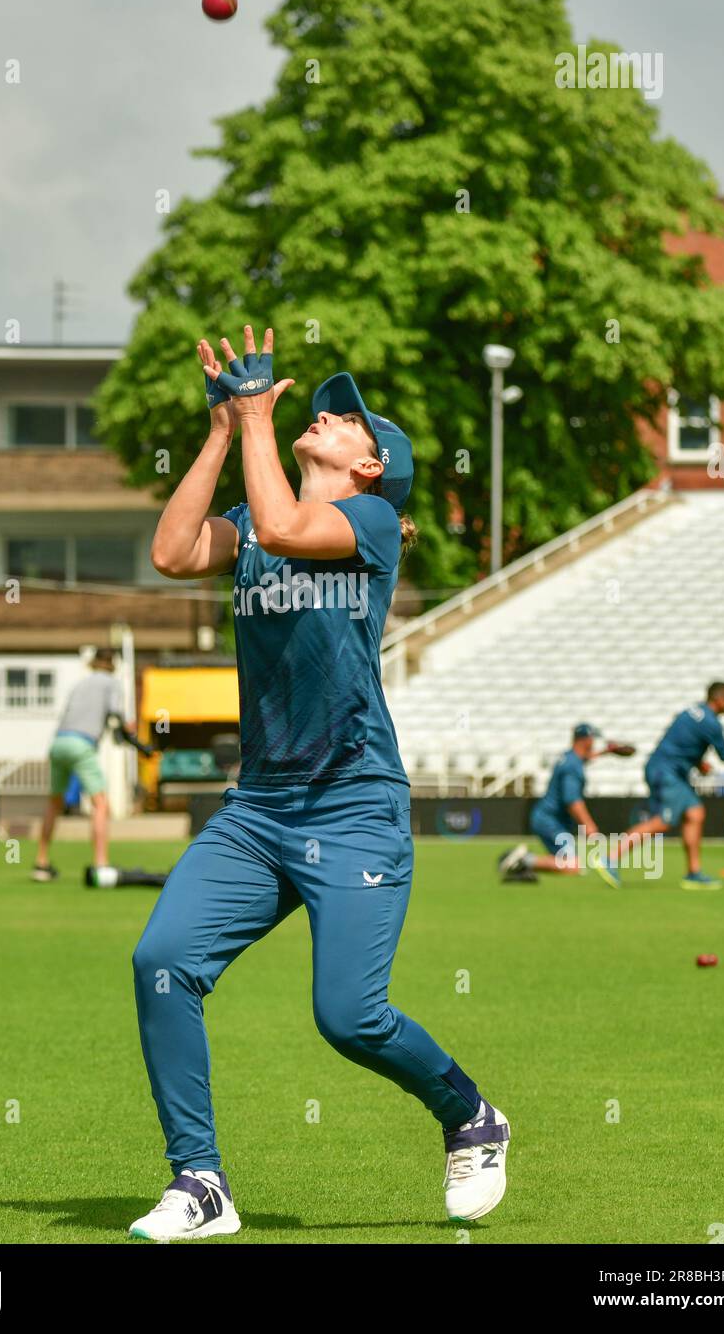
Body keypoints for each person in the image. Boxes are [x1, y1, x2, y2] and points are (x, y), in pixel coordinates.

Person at [128, 325, 510, 1243]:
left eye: (347, 421)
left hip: (353, 807)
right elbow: (175, 553)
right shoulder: (259, 527)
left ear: (372, 469)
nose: (326, 416)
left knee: (348, 1018)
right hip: (259, 808)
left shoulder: (368, 524)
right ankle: (200, 1180)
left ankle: (470, 1116)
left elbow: (294, 527)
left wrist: (261, 419)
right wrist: (225, 429)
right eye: (326, 408)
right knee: (162, 963)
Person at [603, 683, 724, 890]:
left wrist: (698, 762)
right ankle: (609, 858)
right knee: (662, 822)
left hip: (664, 769)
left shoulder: (691, 712)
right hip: (667, 773)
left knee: (695, 814)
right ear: (718, 699)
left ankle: (693, 872)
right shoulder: (711, 723)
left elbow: (682, 742)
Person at [32, 647, 134, 883]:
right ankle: (101, 863)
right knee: (100, 804)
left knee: (54, 803)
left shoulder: (80, 684)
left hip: (58, 743)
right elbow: (117, 713)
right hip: (81, 744)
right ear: (113, 665)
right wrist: (129, 731)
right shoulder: (112, 683)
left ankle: (41, 862)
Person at [498, 725, 629, 884]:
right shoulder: (572, 766)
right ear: (585, 740)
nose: (594, 743)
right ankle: (523, 860)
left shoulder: (569, 758)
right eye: (592, 739)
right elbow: (572, 800)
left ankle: (522, 864)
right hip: (551, 821)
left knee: (569, 863)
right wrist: (588, 825)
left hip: (546, 817)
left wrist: (606, 752)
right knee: (572, 865)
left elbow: (587, 758)